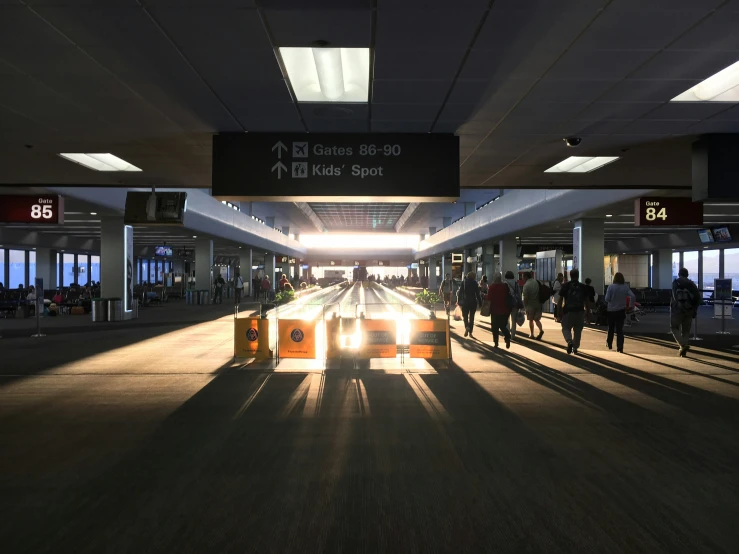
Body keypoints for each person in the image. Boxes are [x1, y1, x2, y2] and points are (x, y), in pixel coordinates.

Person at [557, 268, 591, 355]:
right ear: (578, 276)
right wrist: (588, 313)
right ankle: (575, 347)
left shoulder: (566, 286)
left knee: (565, 328)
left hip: (568, 312)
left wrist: (559, 312)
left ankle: (569, 342)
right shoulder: (583, 287)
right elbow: (587, 301)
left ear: (570, 276)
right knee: (578, 330)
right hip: (580, 312)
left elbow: (560, 300)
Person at [671, 267, 700, 357]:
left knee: (674, 328)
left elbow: (674, 297)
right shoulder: (691, 284)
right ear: (687, 275)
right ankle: (683, 350)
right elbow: (697, 298)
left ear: (679, 274)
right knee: (686, 331)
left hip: (677, 310)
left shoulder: (675, 283)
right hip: (689, 310)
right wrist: (695, 309)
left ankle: (683, 345)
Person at [604, 272, 635, 353]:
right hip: (621, 311)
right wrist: (631, 306)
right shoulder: (625, 287)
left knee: (611, 328)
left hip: (611, 311)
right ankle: (620, 347)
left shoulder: (610, 287)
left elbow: (607, 299)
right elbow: (633, 296)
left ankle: (609, 343)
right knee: (619, 329)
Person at [485, 273, 512, 349]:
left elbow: (489, 298)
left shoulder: (492, 287)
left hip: (494, 310)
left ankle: (496, 343)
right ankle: (507, 337)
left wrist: (484, 296)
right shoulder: (504, 286)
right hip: (504, 309)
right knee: (503, 326)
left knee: (495, 327)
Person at [457, 271, 482, 337]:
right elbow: (477, 294)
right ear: (473, 277)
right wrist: (480, 302)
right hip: (473, 302)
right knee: (471, 317)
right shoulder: (475, 283)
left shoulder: (464, 282)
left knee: (465, 316)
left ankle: (467, 327)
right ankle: (470, 332)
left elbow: (460, 292)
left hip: (465, 301)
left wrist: (458, 300)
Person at [521, 272, 544, 340]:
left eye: (523, 276)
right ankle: (541, 330)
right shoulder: (536, 282)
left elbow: (525, 297)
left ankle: (532, 334)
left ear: (526, 277)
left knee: (531, 320)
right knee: (537, 319)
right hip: (538, 304)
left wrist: (524, 306)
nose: (522, 278)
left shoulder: (526, 285)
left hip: (530, 305)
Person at [504, 270, 522, 340]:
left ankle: (507, 332)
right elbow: (519, 293)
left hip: (507, 303)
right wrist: (520, 303)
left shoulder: (504, 283)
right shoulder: (516, 283)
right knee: (514, 320)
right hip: (515, 303)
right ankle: (513, 335)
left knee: (506, 319)